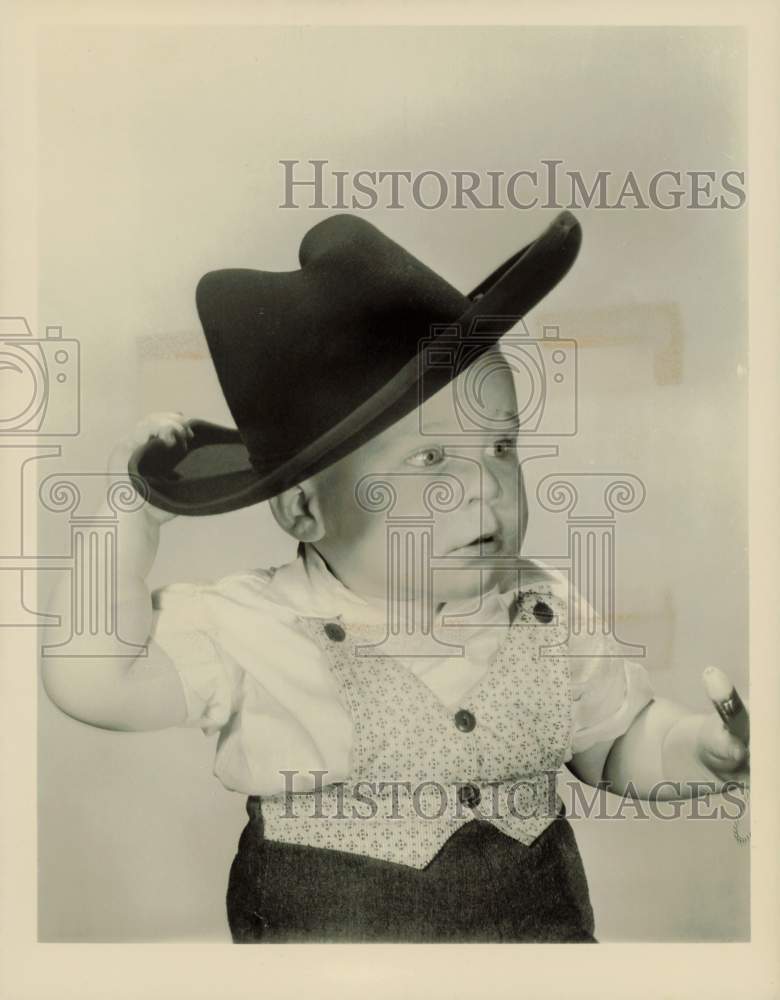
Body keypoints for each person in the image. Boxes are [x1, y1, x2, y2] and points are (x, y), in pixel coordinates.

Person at [41, 211, 749, 943]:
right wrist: (129, 517)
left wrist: (699, 750)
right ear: (304, 508)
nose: (485, 486)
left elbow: (616, 743)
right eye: (431, 460)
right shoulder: (253, 626)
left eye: (501, 445)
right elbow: (93, 678)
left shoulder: (542, 609)